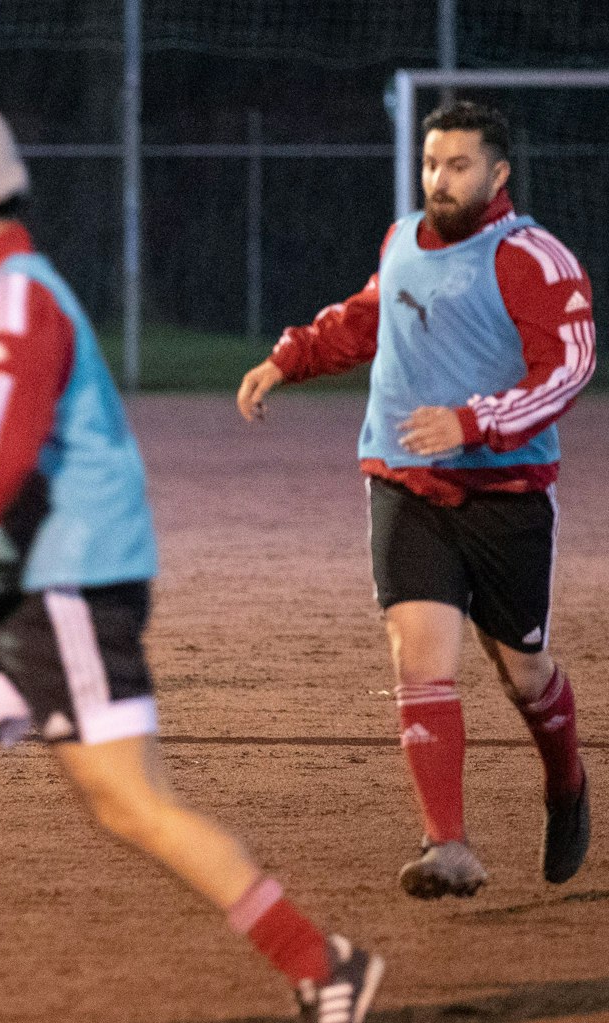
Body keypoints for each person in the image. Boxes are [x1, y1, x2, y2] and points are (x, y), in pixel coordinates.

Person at [0, 100, 380, 1023]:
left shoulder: (12, 301)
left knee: (129, 804)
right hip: (23, 595)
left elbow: (1, 463)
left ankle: (321, 963)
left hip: (66, 591)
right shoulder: (0, 296)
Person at [239, 101, 594, 899]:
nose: (439, 179)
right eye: (432, 164)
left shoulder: (534, 257)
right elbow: (367, 318)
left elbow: (567, 371)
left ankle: (566, 784)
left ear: (498, 175)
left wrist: (475, 421)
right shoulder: (402, 239)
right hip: (403, 481)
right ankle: (448, 844)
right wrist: (287, 359)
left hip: (505, 494)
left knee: (526, 674)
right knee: (419, 654)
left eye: (458, 165)